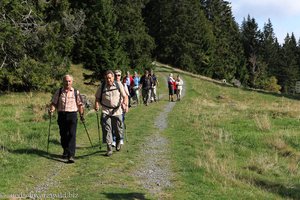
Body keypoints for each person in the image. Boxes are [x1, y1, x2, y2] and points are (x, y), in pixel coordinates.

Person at [49, 75, 84, 163]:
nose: (67, 83)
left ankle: (71, 155)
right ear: (63, 82)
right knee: (63, 135)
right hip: (62, 115)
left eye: (69, 81)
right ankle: (65, 150)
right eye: (66, 81)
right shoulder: (59, 91)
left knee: (72, 134)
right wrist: (52, 109)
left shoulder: (76, 92)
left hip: (72, 114)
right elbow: (54, 103)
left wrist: (81, 115)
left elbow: (80, 104)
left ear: (72, 82)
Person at [94, 70, 128, 156]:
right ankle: (109, 148)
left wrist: (125, 104)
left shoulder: (118, 84)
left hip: (117, 111)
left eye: (110, 78)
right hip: (106, 110)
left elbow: (125, 96)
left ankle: (118, 141)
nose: (108, 80)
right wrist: (96, 105)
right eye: (106, 78)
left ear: (113, 77)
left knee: (118, 129)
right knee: (107, 129)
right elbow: (97, 98)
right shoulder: (102, 87)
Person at [111, 70, 129, 147]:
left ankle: (120, 138)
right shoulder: (111, 84)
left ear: (120, 76)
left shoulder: (123, 85)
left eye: (118, 75)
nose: (117, 77)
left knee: (120, 124)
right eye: (115, 75)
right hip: (112, 108)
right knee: (112, 125)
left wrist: (126, 105)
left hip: (121, 107)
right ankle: (114, 140)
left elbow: (127, 96)